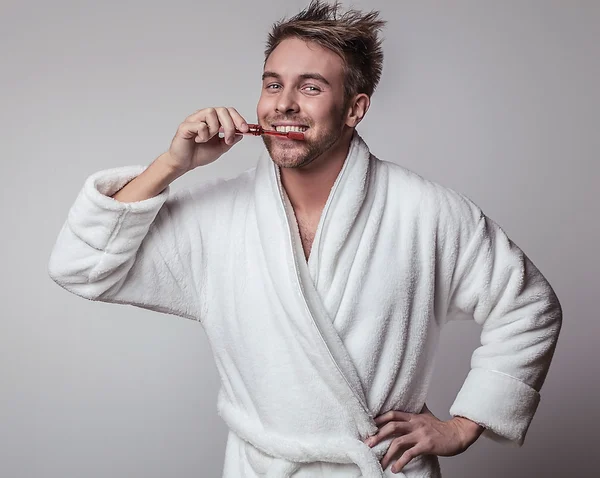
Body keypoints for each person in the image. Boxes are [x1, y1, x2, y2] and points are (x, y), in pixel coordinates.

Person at [48, 1, 562, 477]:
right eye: (273, 85)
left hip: (379, 468)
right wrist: (172, 165)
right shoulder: (216, 218)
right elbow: (82, 267)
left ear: (355, 109)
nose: (284, 105)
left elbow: (528, 306)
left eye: (311, 87)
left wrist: (465, 423)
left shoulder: (426, 212)